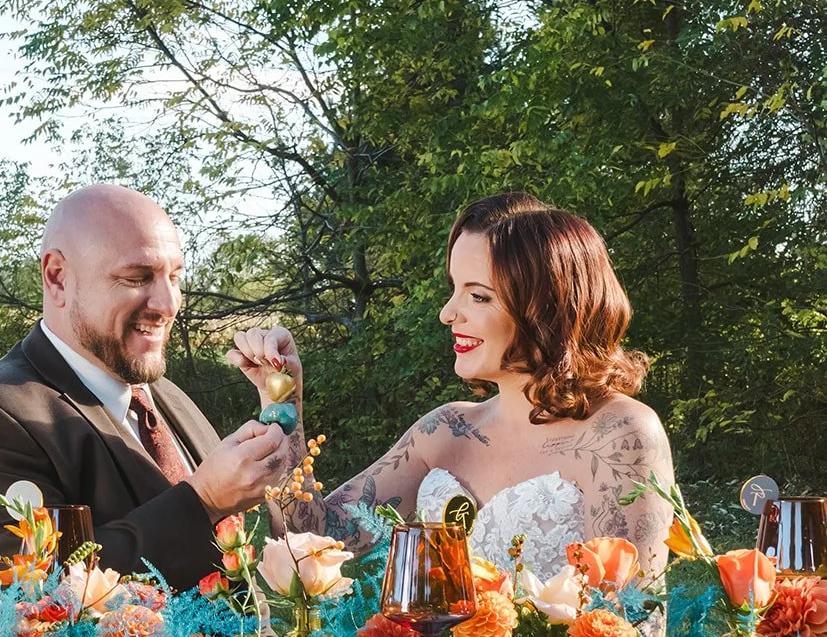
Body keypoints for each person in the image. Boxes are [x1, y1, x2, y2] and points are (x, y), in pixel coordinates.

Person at [229, 191, 674, 580]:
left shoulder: (620, 434)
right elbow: (314, 542)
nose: (447, 313)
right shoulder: (442, 431)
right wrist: (283, 400)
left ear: (547, 306)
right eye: (455, 289)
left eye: (478, 296)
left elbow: (630, 629)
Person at [0, 185, 290, 590]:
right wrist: (202, 501)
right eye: (137, 277)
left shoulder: (168, 398)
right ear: (57, 278)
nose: (167, 304)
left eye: (175, 277)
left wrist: (283, 407)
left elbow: (265, 551)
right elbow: (30, 601)